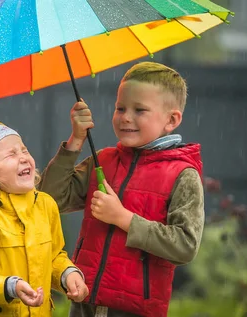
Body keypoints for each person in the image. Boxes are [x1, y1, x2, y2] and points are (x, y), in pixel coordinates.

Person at [39, 62, 205, 317]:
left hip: (134, 311)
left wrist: (123, 218)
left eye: (139, 110)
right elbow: (50, 200)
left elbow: (185, 246)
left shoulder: (183, 175)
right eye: (120, 108)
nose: (126, 117)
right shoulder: (103, 161)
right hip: (84, 302)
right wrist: (75, 142)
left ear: (171, 119)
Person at [0, 119, 89, 317]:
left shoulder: (45, 206)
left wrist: (67, 274)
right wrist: (9, 287)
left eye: (24, 150)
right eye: (11, 154)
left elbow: (53, 257)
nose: (23, 158)